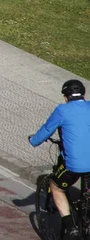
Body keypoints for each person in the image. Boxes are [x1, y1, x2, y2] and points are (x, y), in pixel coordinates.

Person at [29, 79, 90, 240]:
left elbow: (47, 129)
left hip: (74, 165)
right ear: (84, 94)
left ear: (65, 96)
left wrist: (33, 140)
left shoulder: (62, 111)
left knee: (56, 187)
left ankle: (71, 228)